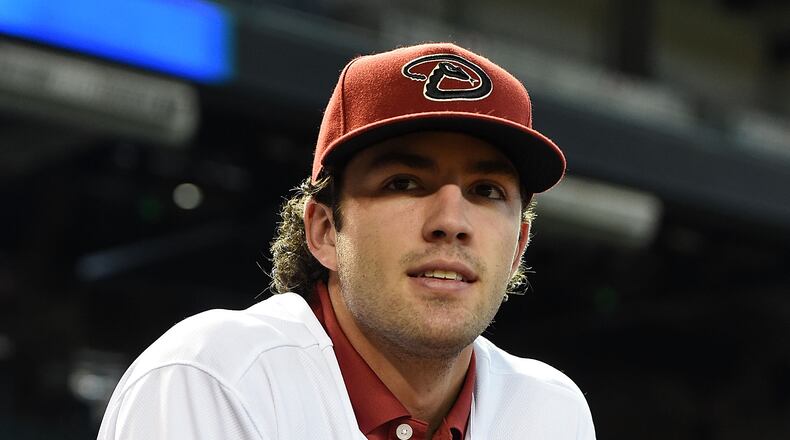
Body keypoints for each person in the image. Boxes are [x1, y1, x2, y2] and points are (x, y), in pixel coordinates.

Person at [98, 43, 595, 440]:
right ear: (324, 231)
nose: (451, 220)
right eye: (403, 183)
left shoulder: (551, 413)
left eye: (486, 191)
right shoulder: (215, 376)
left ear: (518, 248)